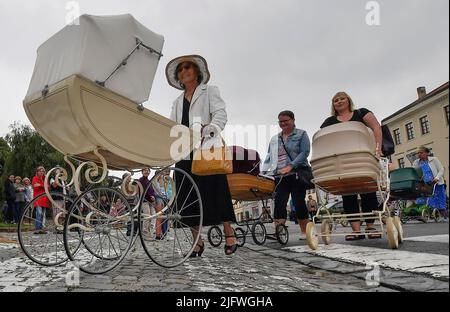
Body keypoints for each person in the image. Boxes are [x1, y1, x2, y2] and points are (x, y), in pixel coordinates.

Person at [167, 54, 237, 256]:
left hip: (206, 146)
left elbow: (220, 113)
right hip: (183, 150)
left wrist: (213, 127)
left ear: (197, 71)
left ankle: (229, 232)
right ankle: (197, 241)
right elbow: (173, 125)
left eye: (188, 67)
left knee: (216, 187)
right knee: (187, 193)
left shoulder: (210, 91)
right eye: (180, 70)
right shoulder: (177, 101)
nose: (184, 71)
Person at [320, 92, 383, 240]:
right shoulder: (329, 121)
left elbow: (376, 128)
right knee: (347, 192)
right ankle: (355, 230)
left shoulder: (362, 113)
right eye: (335, 100)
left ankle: (370, 226)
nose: (339, 101)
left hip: (362, 155)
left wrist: (378, 148)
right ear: (333, 104)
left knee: (368, 190)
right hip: (342, 159)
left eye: (342, 98)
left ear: (348, 100)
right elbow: (324, 138)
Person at [262, 110, 311, 239]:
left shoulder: (301, 134)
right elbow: (269, 157)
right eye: (280, 121)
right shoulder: (275, 139)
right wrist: (263, 172)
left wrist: (291, 166)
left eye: (286, 121)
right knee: (279, 201)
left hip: (296, 173)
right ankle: (279, 231)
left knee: (298, 201)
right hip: (279, 176)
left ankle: (305, 231)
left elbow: (304, 152)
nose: (283, 123)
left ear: (293, 120)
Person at [413, 146, 448, 220]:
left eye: (421, 152)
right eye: (418, 153)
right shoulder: (416, 162)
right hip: (423, 184)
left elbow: (441, 169)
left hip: (435, 183)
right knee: (422, 197)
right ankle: (423, 213)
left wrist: (437, 178)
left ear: (427, 153)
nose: (419, 154)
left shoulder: (434, 159)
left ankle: (442, 213)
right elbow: (414, 172)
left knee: (438, 199)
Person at [138, 168, 156, 238]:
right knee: (147, 216)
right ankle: (145, 234)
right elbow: (144, 190)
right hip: (144, 200)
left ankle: (148, 232)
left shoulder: (149, 181)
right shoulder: (141, 180)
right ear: (142, 172)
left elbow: (152, 190)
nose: (146, 172)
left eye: (148, 170)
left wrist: (153, 197)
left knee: (151, 216)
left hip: (150, 201)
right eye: (145, 170)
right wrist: (151, 196)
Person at [32, 166, 50, 234]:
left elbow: (48, 187)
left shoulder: (45, 179)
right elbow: (35, 186)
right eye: (40, 171)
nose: (41, 172)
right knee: (38, 213)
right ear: (37, 172)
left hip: (44, 198)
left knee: (42, 214)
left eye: (43, 171)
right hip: (38, 198)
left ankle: (41, 228)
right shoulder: (35, 178)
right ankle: (37, 228)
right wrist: (43, 186)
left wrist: (40, 185)